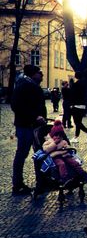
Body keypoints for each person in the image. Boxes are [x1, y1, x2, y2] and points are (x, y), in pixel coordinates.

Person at [10, 64, 47, 195]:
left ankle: (41, 181)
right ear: (33, 74)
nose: (42, 75)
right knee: (22, 153)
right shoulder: (24, 85)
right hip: (27, 125)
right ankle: (17, 184)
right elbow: (16, 105)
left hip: (33, 125)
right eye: (39, 73)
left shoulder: (29, 85)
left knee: (39, 153)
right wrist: (35, 117)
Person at [42, 119, 87, 184]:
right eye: (56, 135)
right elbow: (46, 150)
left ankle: (83, 175)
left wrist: (67, 148)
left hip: (65, 155)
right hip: (55, 157)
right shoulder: (48, 142)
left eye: (60, 136)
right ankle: (65, 178)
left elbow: (68, 147)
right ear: (52, 135)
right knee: (61, 164)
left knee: (74, 162)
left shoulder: (63, 141)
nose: (58, 137)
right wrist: (54, 144)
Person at [70, 71, 87, 143]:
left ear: (76, 76)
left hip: (76, 105)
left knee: (77, 122)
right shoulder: (85, 84)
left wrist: (71, 104)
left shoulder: (75, 85)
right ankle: (76, 137)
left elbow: (72, 95)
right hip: (83, 106)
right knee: (79, 122)